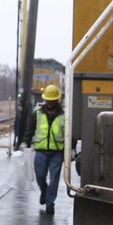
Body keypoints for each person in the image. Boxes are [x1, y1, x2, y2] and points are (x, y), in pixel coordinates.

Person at [31, 84, 65, 214]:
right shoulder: (37, 113)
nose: (50, 103)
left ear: (57, 100)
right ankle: (44, 192)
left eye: (53, 100)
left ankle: (50, 203)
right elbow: (30, 128)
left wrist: (71, 149)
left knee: (54, 179)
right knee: (40, 176)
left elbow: (69, 133)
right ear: (45, 100)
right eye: (48, 100)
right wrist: (24, 142)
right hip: (41, 150)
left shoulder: (64, 114)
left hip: (57, 151)